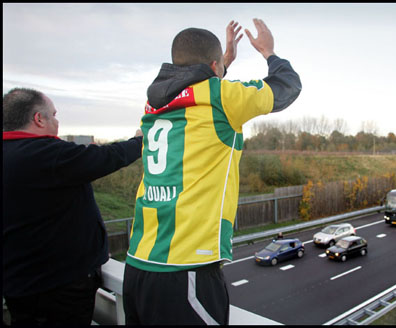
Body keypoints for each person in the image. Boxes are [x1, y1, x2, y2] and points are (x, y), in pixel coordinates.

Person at [123, 18, 301, 325]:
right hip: (185, 271)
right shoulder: (221, 96)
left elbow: (193, 92)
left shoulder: (153, 104)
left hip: (138, 266)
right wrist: (269, 52)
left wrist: (221, 66)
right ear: (213, 65)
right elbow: (287, 88)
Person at [2, 88, 143, 325]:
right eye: (54, 115)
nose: (57, 122)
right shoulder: (46, 155)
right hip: (59, 289)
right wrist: (141, 140)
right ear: (39, 119)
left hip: (19, 286)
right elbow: (107, 157)